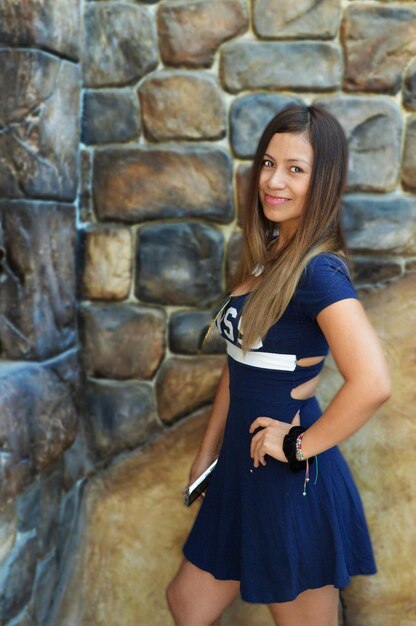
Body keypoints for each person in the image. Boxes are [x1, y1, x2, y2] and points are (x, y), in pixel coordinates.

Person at [166, 104, 391, 626]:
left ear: (324, 181)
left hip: (288, 481)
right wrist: (207, 453)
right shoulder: (270, 259)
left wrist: (295, 445)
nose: (275, 181)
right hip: (239, 471)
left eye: (296, 169)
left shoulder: (318, 273)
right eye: (269, 163)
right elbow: (238, 365)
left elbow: (373, 382)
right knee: (187, 603)